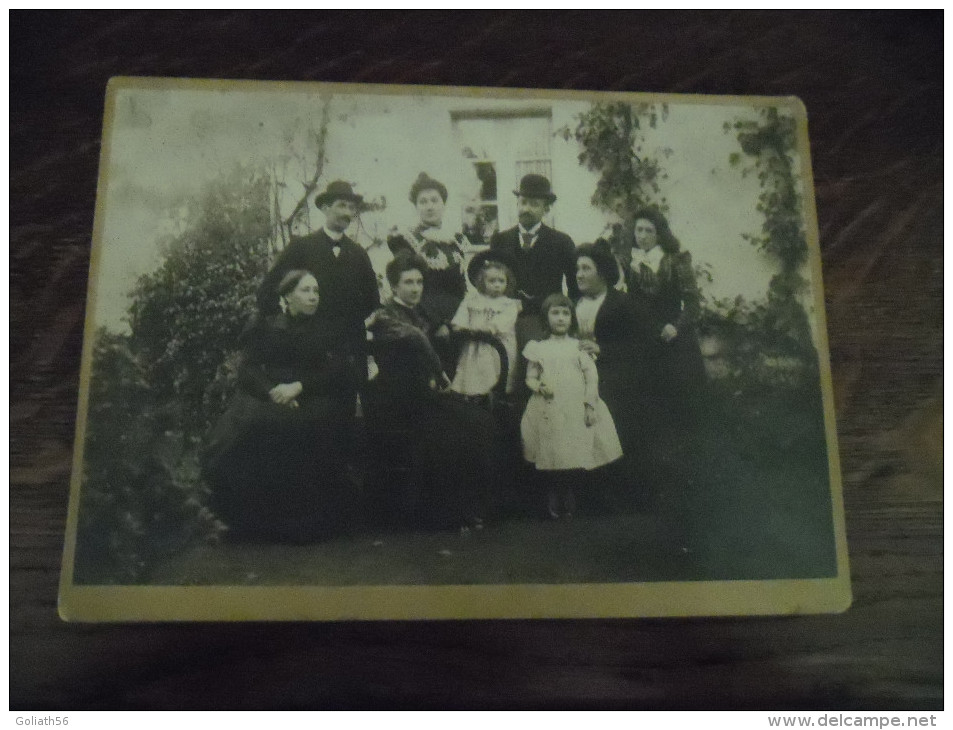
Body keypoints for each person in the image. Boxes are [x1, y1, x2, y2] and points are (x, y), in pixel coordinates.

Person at [203, 271, 353, 542]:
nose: (313, 297)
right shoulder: (266, 326)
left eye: (316, 291)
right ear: (287, 296)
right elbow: (247, 370)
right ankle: (252, 523)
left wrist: (299, 387)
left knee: (307, 428)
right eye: (306, 291)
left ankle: (304, 524)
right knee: (252, 427)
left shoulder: (326, 329)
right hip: (268, 394)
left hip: (311, 395)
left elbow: (336, 372)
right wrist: (272, 392)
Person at [364, 252, 499, 531]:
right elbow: (416, 338)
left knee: (478, 423)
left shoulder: (421, 309)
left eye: (419, 282)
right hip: (396, 397)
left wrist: (446, 329)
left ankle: (477, 508)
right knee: (448, 434)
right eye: (408, 283)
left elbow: (438, 327)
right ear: (393, 286)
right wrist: (440, 375)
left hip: (424, 393)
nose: (415, 288)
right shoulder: (385, 314)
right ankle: (447, 515)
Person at [256, 180, 380, 419]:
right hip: (308, 355)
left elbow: (372, 302)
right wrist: (286, 327)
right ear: (325, 208)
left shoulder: (359, 254)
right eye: (341, 205)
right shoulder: (302, 248)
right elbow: (267, 292)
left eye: (351, 208)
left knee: (347, 426)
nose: (347, 213)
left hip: (348, 357)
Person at [520, 294, 622, 519]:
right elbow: (530, 377)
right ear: (546, 319)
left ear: (572, 319)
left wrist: (589, 405)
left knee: (574, 446)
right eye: (555, 313)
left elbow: (591, 378)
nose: (560, 318)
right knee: (552, 448)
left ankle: (570, 491)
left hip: (574, 404)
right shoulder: (539, 347)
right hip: (550, 405)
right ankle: (555, 491)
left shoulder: (579, 347)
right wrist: (539, 387)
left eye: (565, 313)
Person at [625, 207, 706, 409]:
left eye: (648, 231)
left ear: (660, 234)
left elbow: (693, 304)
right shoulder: (632, 262)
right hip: (645, 339)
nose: (642, 236)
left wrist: (676, 327)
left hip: (674, 339)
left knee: (678, 401)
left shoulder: (676, 261)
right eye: (639, 230)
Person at [489, 174, 579, 352]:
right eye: (523, 202)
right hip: (504, 320)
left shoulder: (561, 242)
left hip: (545, 322)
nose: (526, 209)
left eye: (534, 204)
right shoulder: (500, 240)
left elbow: (574, 289)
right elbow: (490, 281)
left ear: (546, 209)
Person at [387, 172, 471, 331]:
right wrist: (437, 324)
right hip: (423, 322)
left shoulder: (456, 240)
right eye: (423, 202)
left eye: (434, 200)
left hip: (458, 320)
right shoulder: (406, 241)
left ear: (443, 204)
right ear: (416, 207)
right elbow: (409, 289)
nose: (430, 206)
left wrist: (461, 319)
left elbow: (461, 286)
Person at [449, 251, 521, 396]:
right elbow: (463, 313)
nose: (497, 285)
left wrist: (491, 327)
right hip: (474, 342)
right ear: (482, 281)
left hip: (498, 343)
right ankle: (473, 397)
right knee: (473, 371)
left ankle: (494, 396)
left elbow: (506, 320)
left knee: (494, 370)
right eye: (492, 281)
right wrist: (459, 325)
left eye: (501, 281)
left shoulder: (508, 304)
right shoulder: (472, 299)